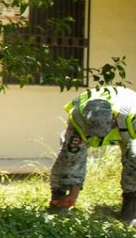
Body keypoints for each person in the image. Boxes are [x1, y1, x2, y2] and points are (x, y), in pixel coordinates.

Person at [47, 85, 136, 225]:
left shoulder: (132, 115)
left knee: (134, 157)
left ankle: (131, 205)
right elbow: (74, 159)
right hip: (85, 123)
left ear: (113, 119)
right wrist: (73, 195)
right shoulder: (78, 118)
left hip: (129, 129)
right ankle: (58, 202)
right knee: (67, 158)